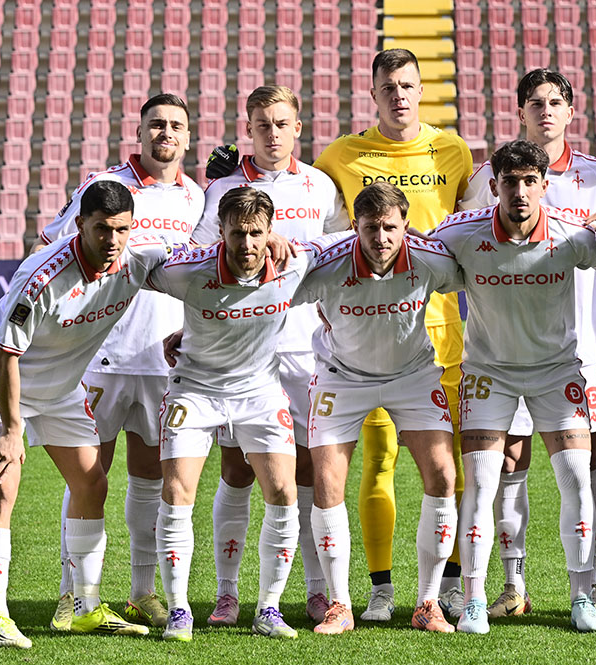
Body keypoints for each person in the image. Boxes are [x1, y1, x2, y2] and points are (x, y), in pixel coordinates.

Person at [0, 181, 176, 648]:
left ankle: (85, 608)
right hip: (1, 382)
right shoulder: (41, 276)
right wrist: (12, 429)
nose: (112, 240)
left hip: (61, 388)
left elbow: (200, 265)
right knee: (2, 488)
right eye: (102, 229)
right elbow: (5, 354)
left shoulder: (139, 261)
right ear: (80, 224)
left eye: (122, 229)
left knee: (92, 483)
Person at [459, 68, 596, 619]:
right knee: (509, 461)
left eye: (556, 102)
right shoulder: (488, 177)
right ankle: (511, 585)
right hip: (500, 349)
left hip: (576, 349)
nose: (546, 111)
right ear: (521, 112)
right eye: (536, 102)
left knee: (583, 467)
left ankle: (590, 588)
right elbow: (463, 245)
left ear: (571, 111)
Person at [312, 48, 473, 620]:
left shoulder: (453, 150)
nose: (399, 96)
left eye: (407, 85)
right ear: (373, 93)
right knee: (377, 463)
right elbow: (310, 217)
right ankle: (378, 589)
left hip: (438, 338)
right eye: (389, 87)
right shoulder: (341, 155)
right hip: (363, 337)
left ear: (421, 89)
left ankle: (447, 587)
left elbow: (473, 230)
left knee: (449, 466)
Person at [38, 93, 204, 630]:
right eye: (156, 124)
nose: (166, 133)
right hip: (101, 356)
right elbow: (51, 244)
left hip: (164, 359)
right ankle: (73, 595)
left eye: (176, 125)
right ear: (139, 132)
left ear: (188, 136)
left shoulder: (196, 197)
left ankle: (141, 591)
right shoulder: (105, 186)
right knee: (89, 476)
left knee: (150, 477)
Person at [433, 140, 596, 634]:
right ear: (493, 187)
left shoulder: (572, 236)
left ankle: (582, 597)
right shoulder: (461, 233)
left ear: (544, 185)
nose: (520, 191)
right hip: (489, 375)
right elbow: (412, 255)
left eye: (530, 181)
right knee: (482, 485)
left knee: (577, 478)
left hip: (557, 373)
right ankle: (474, 601)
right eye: (510, 181)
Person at [191, 85, 349, 627]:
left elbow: (339, 253)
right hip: (239, 349)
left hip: (305, 349)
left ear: (298, 128)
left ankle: (312, 591)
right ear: (249, 129)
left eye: (282, 123)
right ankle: (227, 593)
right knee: (236, 469)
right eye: (262, 124)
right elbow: (196, 257)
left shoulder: (320, 186)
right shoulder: (224, 189)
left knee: (304, 470)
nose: (272, 133)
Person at [294, 182, 461, 635]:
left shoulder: (430, 258)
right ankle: (340, 605)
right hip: (342, 378)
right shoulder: (325, 262)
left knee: (443, 474)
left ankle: (428, 603)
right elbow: (265, 295)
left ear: (406, 225)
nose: (381, 238)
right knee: (327, 481)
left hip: (412, 376)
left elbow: (487, 278)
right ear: (355, 226)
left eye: (390, 227)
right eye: (371, 227)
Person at [146, 187, 313, 642]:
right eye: (237, 233)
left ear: (271, 231)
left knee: (283, 490)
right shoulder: (189, 270)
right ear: (220, 231)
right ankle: (179, 610)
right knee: (177, 491)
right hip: (195, 389)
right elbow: (133, 262)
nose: (247, 244)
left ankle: (268, 609)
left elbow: (354, 245)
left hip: (260, 391)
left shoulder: (295, 263)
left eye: (257, 233)